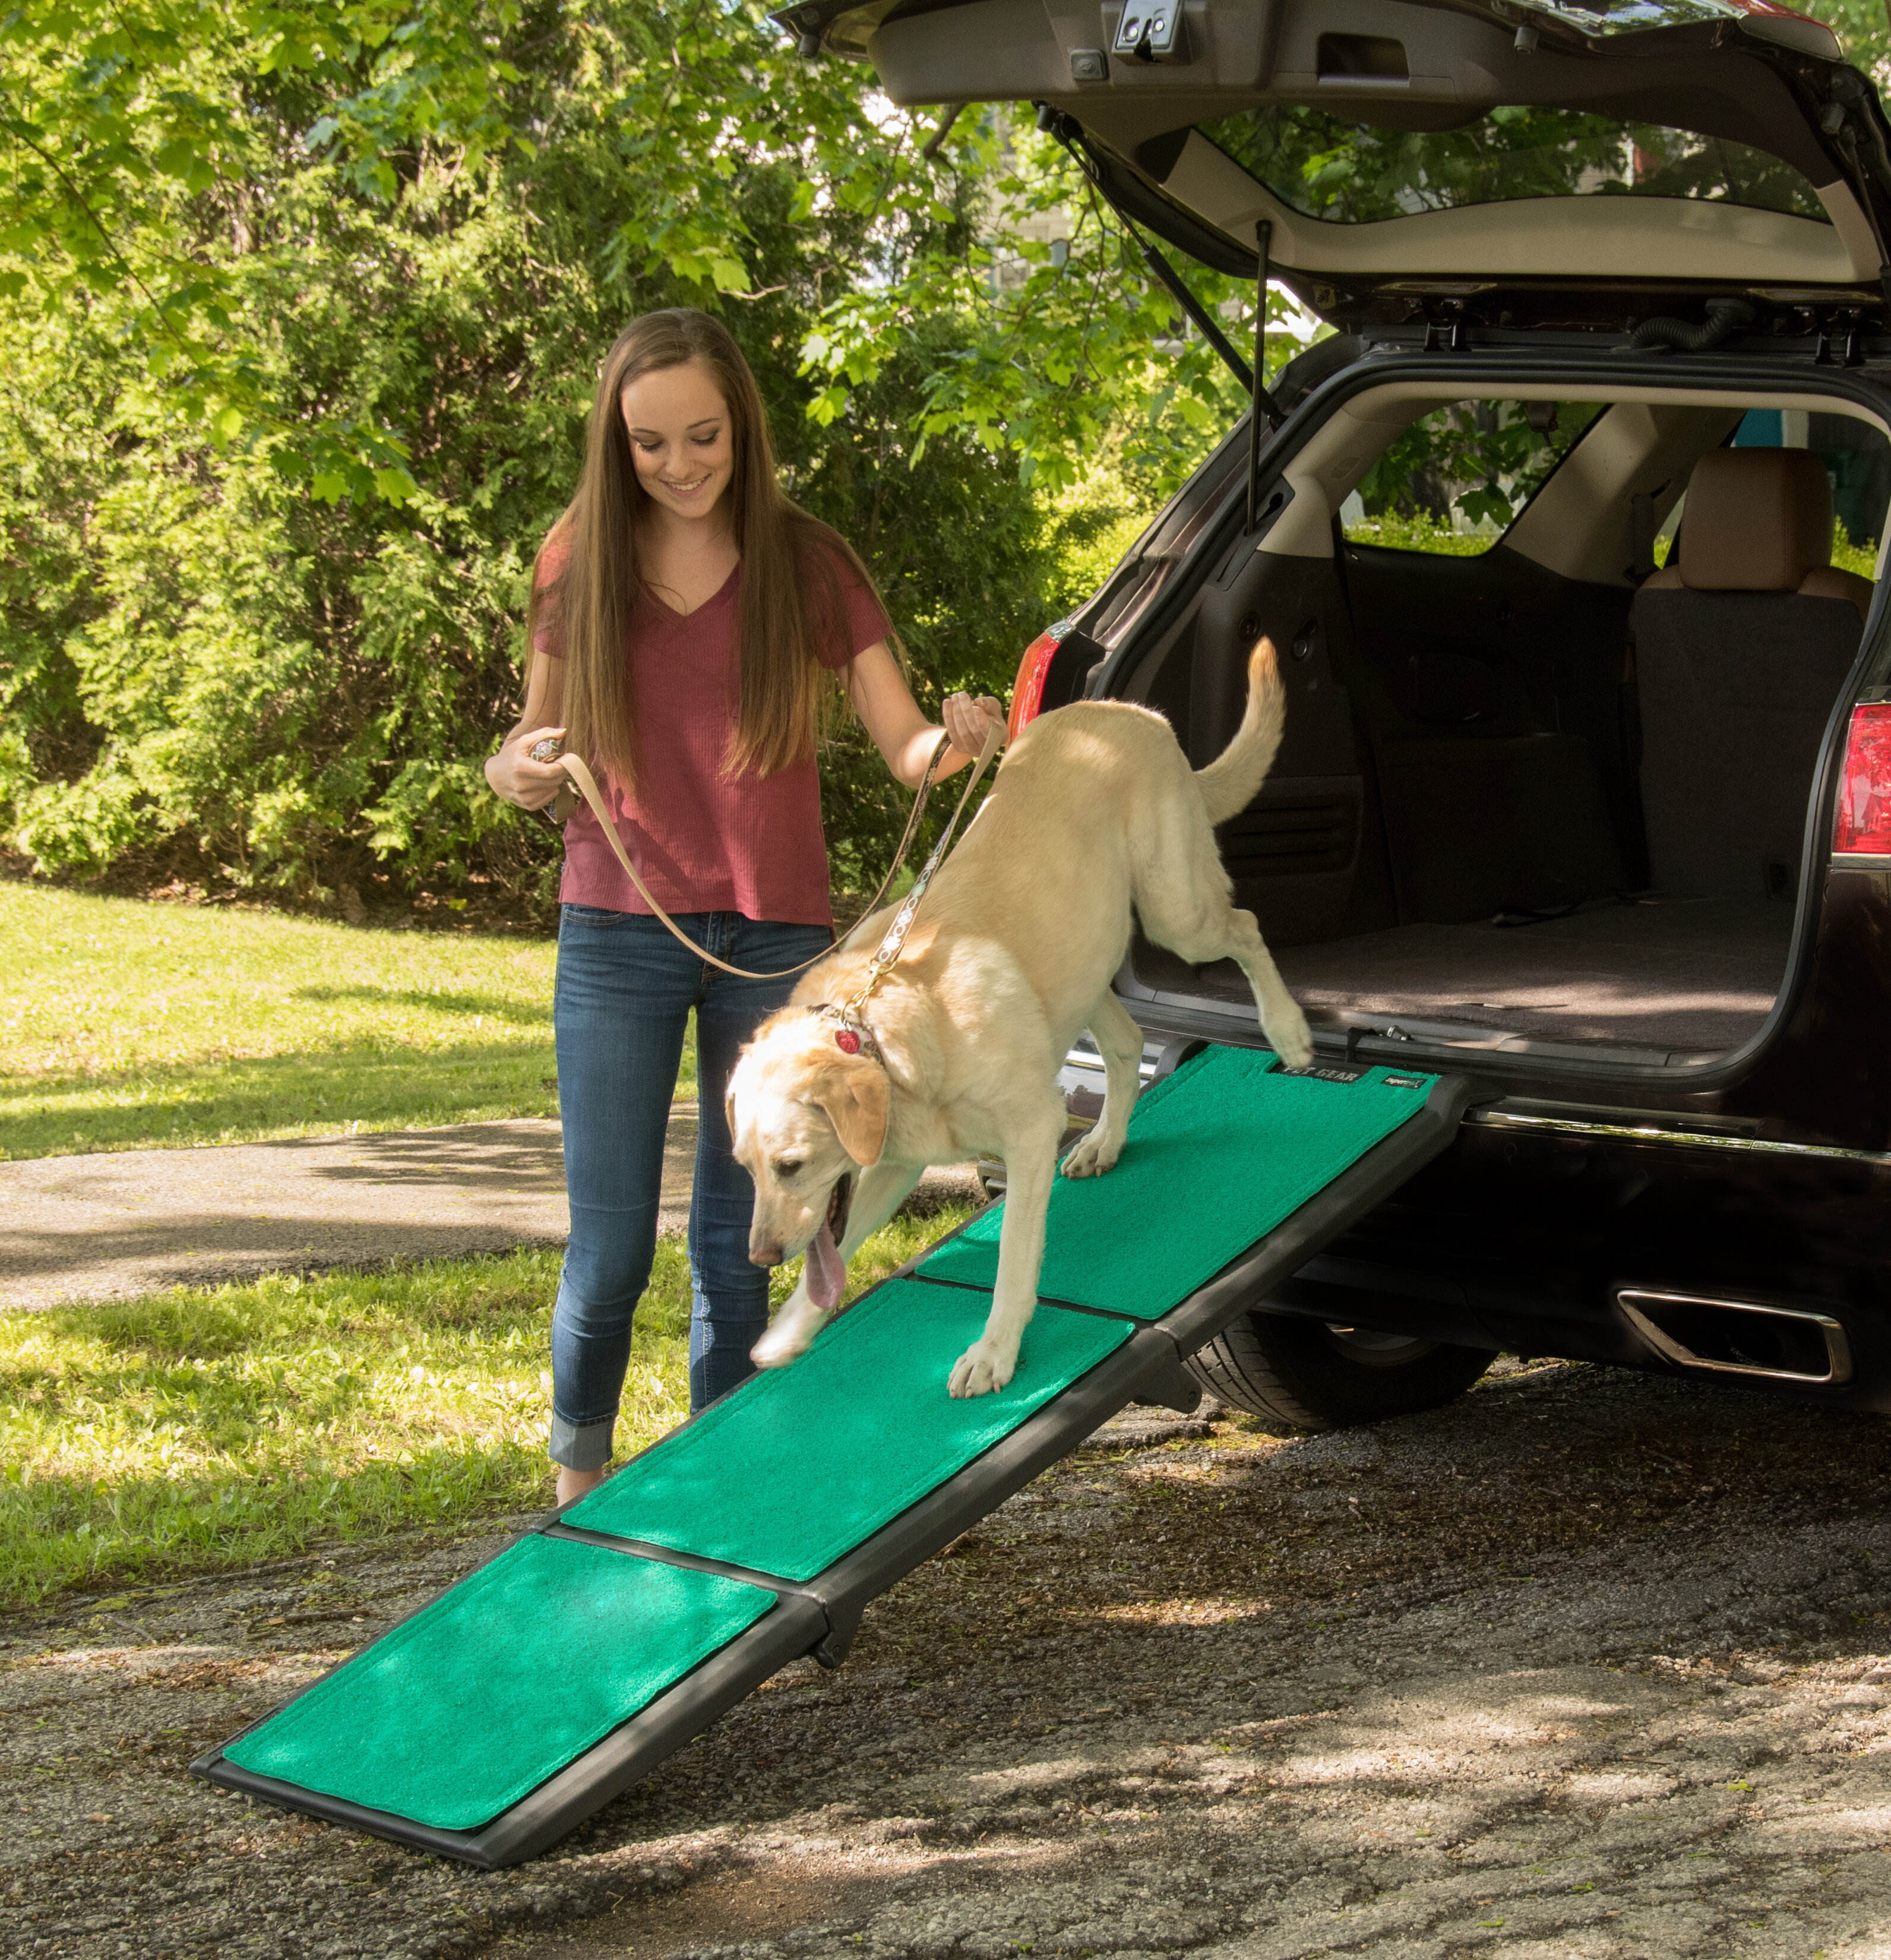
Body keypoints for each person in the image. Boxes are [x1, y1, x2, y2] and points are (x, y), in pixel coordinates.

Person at [485, 308, 1005, 1504]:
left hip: (774, 942)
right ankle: (579, 1496)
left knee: (738, 1244)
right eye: (648, 444)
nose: (676, 465)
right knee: (609, 1251)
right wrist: (511, 770)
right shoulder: (577, 559)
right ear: (614, 443)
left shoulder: (807, 562)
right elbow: (529, 738)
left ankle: (724, 1500)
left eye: (703, 438)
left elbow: (904, 743)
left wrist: (957, 740)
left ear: (743, 429)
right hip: (616, 932)